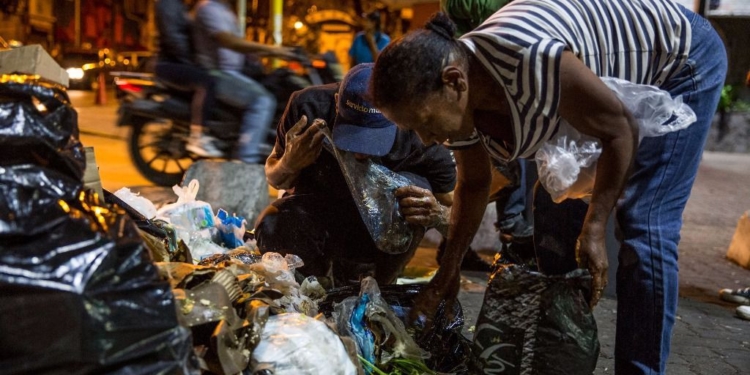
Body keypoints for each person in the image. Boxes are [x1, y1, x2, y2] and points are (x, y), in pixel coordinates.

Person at [370, 2, 727, 374]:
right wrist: (447, 271)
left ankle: (640, 369)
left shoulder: (529, 58)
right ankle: (559, 358)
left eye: (425, 122)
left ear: (455, 82)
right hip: (604, 89)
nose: (426, 140)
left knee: (644, 222)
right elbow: (474, 183)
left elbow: (620, 131)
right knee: (553, 217)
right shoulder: (461, 101)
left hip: (680, 59)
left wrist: (595, 226)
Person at [254, 63, 456, 287]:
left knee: (414, 192)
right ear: (337, 100)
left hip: (380, 235)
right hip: (319, 214)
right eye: (352, 135)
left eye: (373, 140)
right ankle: (311, 287)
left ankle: (380, 286)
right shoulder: (308, 107)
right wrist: (288, 164)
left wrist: (437, 214)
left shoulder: (421, 130)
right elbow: (275, 178)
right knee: (272, 223)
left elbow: (456, 216)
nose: (360, 152)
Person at [192, 0, 296, 163]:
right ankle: (246, 159)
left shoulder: (225, 10)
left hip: (235, 73)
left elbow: (239, 45)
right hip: (219, 74)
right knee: (263, 100)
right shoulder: (209, 9)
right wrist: (271, 50)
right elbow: (229, 41)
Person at [155, 0, 220, 157]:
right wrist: (191, 63)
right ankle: (197, 137)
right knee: (205, 82)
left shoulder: (180, 5)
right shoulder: (168, 4)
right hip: (169, 63)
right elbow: (173, 38)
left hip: (176, 60)